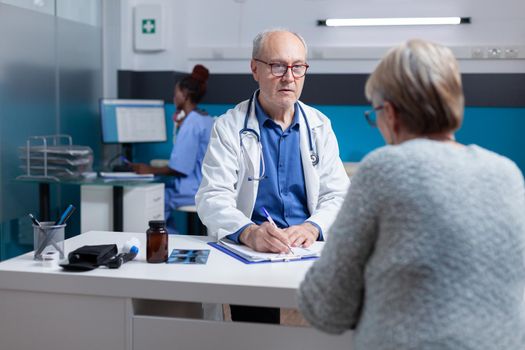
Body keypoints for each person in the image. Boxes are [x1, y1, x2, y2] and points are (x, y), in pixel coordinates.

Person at [298, 39, 525, 349]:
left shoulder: (385, 168)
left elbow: (326, 308)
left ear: (390, 114)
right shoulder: (507, 173)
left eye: (374, 113)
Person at [196, 29, 349, 324]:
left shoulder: (319, 125)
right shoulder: (229, 126)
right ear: (255, 68)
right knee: (250, 334)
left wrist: (312, 227)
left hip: (307, 255)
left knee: (312, 337)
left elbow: (339, 194)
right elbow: (211, 197)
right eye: (277, 66)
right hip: (249, 256)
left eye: (298, 67)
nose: (289, 77)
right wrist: (249, 232)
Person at [132, 65, 214, 234]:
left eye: (176, 93)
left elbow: (180, 168)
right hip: (202, 184)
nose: (173, 97)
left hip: (192, 188)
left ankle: (169, 242)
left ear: (184, 95)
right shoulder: (205, 118)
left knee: (155, 200)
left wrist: (149, 169)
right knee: (162, 196)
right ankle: (172, 238)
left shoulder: (191, 123)